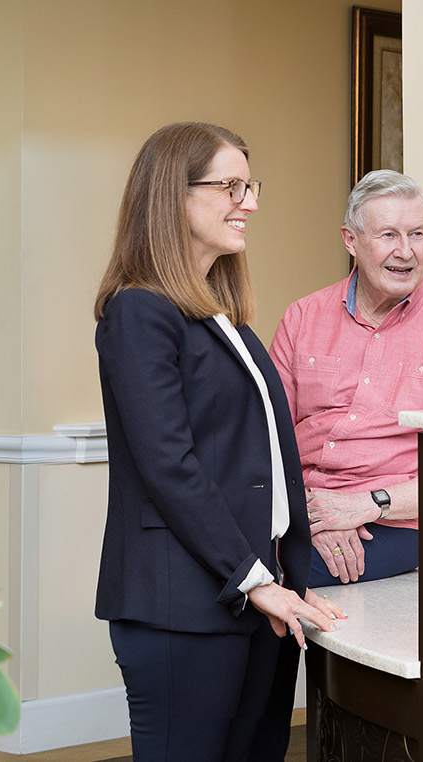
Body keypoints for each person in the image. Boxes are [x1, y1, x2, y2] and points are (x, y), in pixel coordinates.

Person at [93, 122, 345, 762]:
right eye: (230, 186)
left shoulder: (225, 318)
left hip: (257, 598)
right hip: (186, 605)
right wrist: (255, 581)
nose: (250, 203)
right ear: (170, 197)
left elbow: (263, 459)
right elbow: (168, 466)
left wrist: (289, 576)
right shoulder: (137, 312)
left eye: (250, 185)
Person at [271, 170, 423, 587]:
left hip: (395, 519)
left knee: (274, 576)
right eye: (388, 235)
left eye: (418, 234)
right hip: (301, 508)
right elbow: (265, 436)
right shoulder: (302, 318)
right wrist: (316, 516)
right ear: (350, 240)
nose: (406, 252)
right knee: (233, 559)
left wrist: (364, 505)